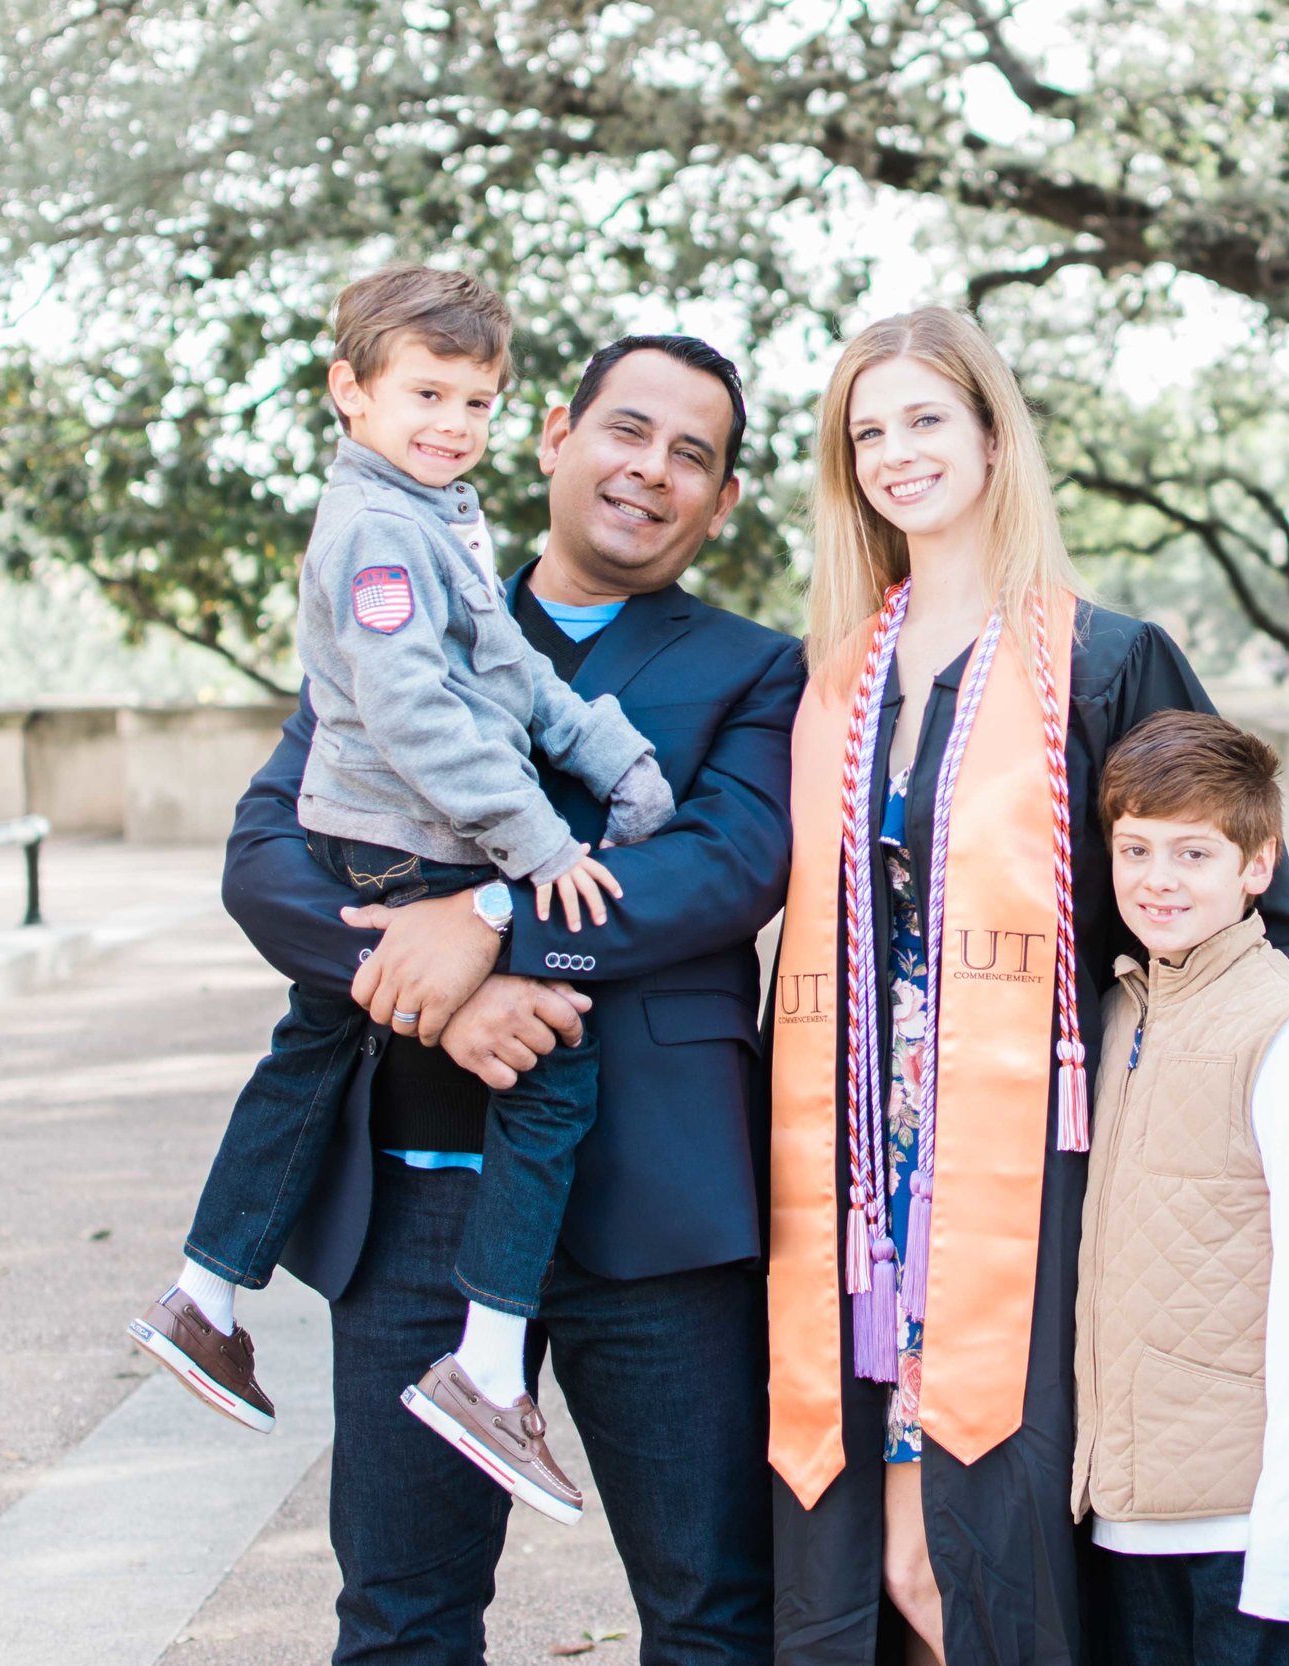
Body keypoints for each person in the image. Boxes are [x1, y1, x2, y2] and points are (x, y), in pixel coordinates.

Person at [766, 307, 1289, 1665]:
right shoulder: (829, 680)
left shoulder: (1102, 661)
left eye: (925, 419)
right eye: (868, 430)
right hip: (850, 1164)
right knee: (869, 1553)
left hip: (1025, 1162)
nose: (897, 452)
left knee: (993, 1541)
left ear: (990, 435)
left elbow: (1243, 901)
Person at [224, 333, 800, 1664]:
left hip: (657, 1207)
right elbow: (265, 854)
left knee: (716, 1609)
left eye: (692, 457)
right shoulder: (402, 606)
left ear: (718, 504)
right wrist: (428, 992)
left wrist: (491, 925)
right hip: (424, 1195)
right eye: (627, 430)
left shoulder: (758, 669)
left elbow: (726, 869)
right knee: (400, 1615)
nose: (650, 471)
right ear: (554, 434)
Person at [130, 268, 674, 1526]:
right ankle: (489, 1367)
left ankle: (205, 1295)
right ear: (350, 391)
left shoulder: (435, 513)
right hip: (407, 841)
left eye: (476, 399)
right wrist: (539, 847)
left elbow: (513, 673)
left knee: (309, 1054)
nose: (452, 420)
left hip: (382, 837)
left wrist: (616, 763)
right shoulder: (380, 530)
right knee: (553, 1081)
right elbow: (421, 712)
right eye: (425, 392)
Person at [1072, 711, 1289, 1665]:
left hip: (1253, 1529)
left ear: (1257, 866)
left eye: (1193, 853)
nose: (1157, 878)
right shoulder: (1121, 1008)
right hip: (1134, 1515)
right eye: (1134, 848)